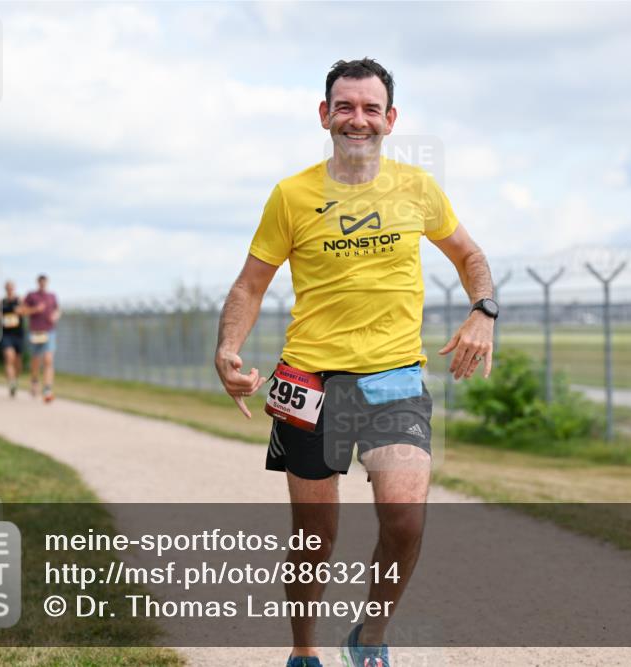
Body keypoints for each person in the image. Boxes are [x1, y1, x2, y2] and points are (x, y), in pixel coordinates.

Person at [215, 59, 497, 667]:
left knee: (404, 518)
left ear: (390, 120)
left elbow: (470, 254)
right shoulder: (291, 195)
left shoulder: (417, 188)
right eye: (345, 106)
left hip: (394, 379)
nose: (357, 119)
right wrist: (227, 348)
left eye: (371, 108)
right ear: (325, 115)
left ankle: (369, 637)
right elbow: (249, 286)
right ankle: (304, 652)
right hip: (308, 383)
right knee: (315, 538)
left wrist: (484, 311)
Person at [24, 274, 61, 403]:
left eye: (44, 282)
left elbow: (58, 310)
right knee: (36, 359)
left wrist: (55, 316)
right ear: (37, 283)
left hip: (49, 331)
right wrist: (35, 309)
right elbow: (22, 310)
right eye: (41, 282)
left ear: (47, 283)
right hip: (35, 331)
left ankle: (47, 388)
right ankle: (34, 381)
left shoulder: (52, 296)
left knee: (48, 359)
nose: (42, 285)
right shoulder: (31, 296)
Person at [0, 280, 28, 398]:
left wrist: (20, 311)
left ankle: (15, 380)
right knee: (8, 357)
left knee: (18, 362)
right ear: (5, 289)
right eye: (8, 288)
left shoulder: (20, 300)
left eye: (11, 287)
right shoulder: (1, 302)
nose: (10, 289)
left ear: (14, 288)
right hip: (6, 335)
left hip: (18, 334)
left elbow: (26, 312)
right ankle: (11, 383)